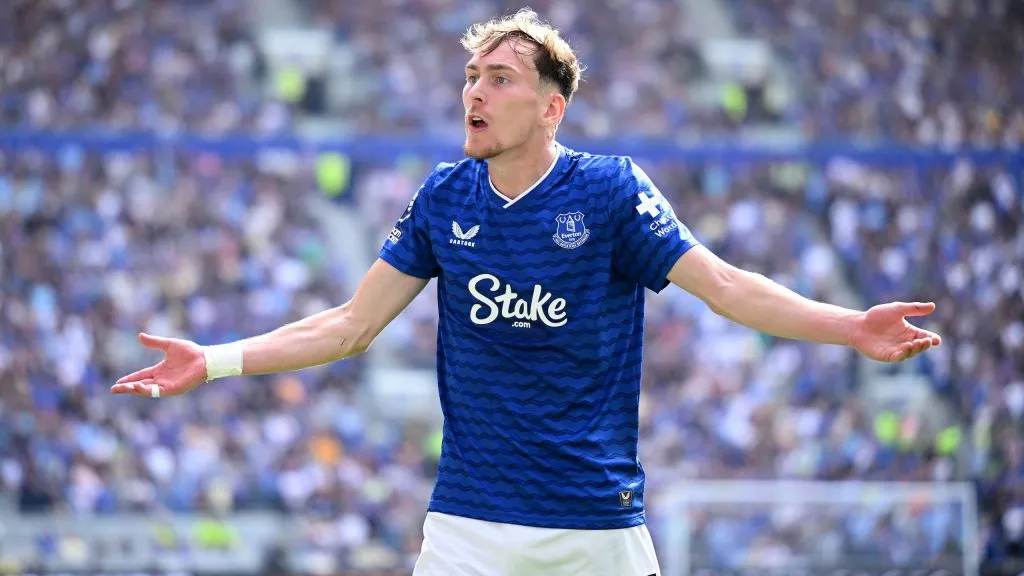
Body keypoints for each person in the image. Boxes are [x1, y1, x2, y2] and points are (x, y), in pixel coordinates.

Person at [111, 9, 943, 575]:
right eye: (472, 75)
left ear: (552, 107)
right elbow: (350, 326)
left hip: (596, 525)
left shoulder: (612, 192)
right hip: (469, 525)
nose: (475, 90)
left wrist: (850, 328)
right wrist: (213, 361)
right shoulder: (445, 197)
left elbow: (723, 286)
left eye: (500, 77)